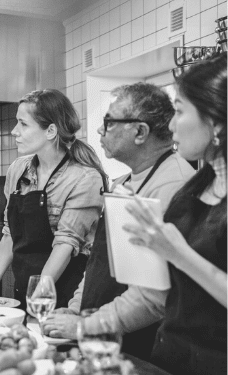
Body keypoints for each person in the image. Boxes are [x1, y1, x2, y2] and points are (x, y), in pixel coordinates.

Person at [80, 52, 226, 375]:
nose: (172, 125)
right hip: (169, 357)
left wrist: (179, 254)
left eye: (181, 111)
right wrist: (91, 320)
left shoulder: (177, 183)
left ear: (215, 122)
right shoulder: (192, 193)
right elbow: (157, 288)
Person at [41, 82, 196, 361]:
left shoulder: (174, 186)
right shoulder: (122, 183)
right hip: (105, 337)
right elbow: (101, 263)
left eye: (109, 122)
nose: (101, 130)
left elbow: (152, 297)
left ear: (140, 132)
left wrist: (85, 325)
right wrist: (77, 308)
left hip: (143, 345)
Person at [0, 89, 107, 309]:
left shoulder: (85, 178)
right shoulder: (18, 170)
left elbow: (65, 244)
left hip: (66, 299)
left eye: (23, 124)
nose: (14, 131)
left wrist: (37, 298)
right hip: (26, 292)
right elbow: (10, 234)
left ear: (50, 131)